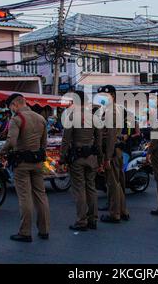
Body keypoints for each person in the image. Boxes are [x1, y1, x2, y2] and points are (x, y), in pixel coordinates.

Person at [0, 93, 50, 242]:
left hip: (21, 163)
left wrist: (2, 152)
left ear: (15, 105)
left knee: (25, 197)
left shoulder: (16, 119)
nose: (11, 110)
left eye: (10, 107)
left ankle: (25, 232)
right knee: (41, 195)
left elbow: (11, 142)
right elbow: (44, 143)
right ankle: (44, 230)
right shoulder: (41, 119)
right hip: (37, 161)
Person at [59, 91, 102, 231]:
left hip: (77, 157)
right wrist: (100, 159)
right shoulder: (94, 118)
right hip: (91, 157)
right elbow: (99, 141)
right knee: (91, 187)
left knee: (79, 189)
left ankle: (81, 221)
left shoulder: (72, 117)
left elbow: (66, 140)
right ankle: (93, 219)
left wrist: (62, 158)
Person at [97, 85, 129, 223]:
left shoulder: (111, 111)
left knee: (113, 183)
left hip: (112, 150)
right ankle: (122, 211)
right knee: (117, 182)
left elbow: (110, 136)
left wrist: (107, 157)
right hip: (116, 149)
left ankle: (115, 214)